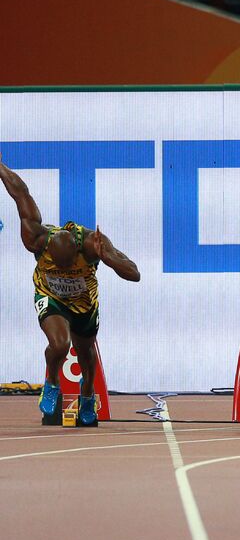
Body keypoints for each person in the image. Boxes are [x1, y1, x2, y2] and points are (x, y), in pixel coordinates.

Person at [0, 154, 140, 426]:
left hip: (84, 302)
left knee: (86, 357)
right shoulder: (36, 237)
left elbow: (134, 273)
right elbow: (20, 193)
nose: (63, 269)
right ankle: (51, 383)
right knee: (60, 343)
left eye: (68, 266)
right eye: (57, 265)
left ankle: (87, 398)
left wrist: (107, 258)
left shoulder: (92, 244)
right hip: (50, 296)